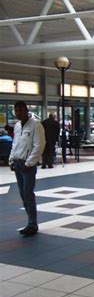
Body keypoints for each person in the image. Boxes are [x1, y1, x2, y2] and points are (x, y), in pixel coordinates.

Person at [8, 101, 45, 237]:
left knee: (28, 194)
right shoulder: (17, 126)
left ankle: (32, 224)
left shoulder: (36, 124)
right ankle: (30, 222)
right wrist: (11, 159)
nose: (18, 113)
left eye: (20, 110)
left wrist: (29, 163)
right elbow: (15, 144)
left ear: (26, 110)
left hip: (27, 165)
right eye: (16, 110)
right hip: (18, 164)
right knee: (23, 195)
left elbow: (39, 145)